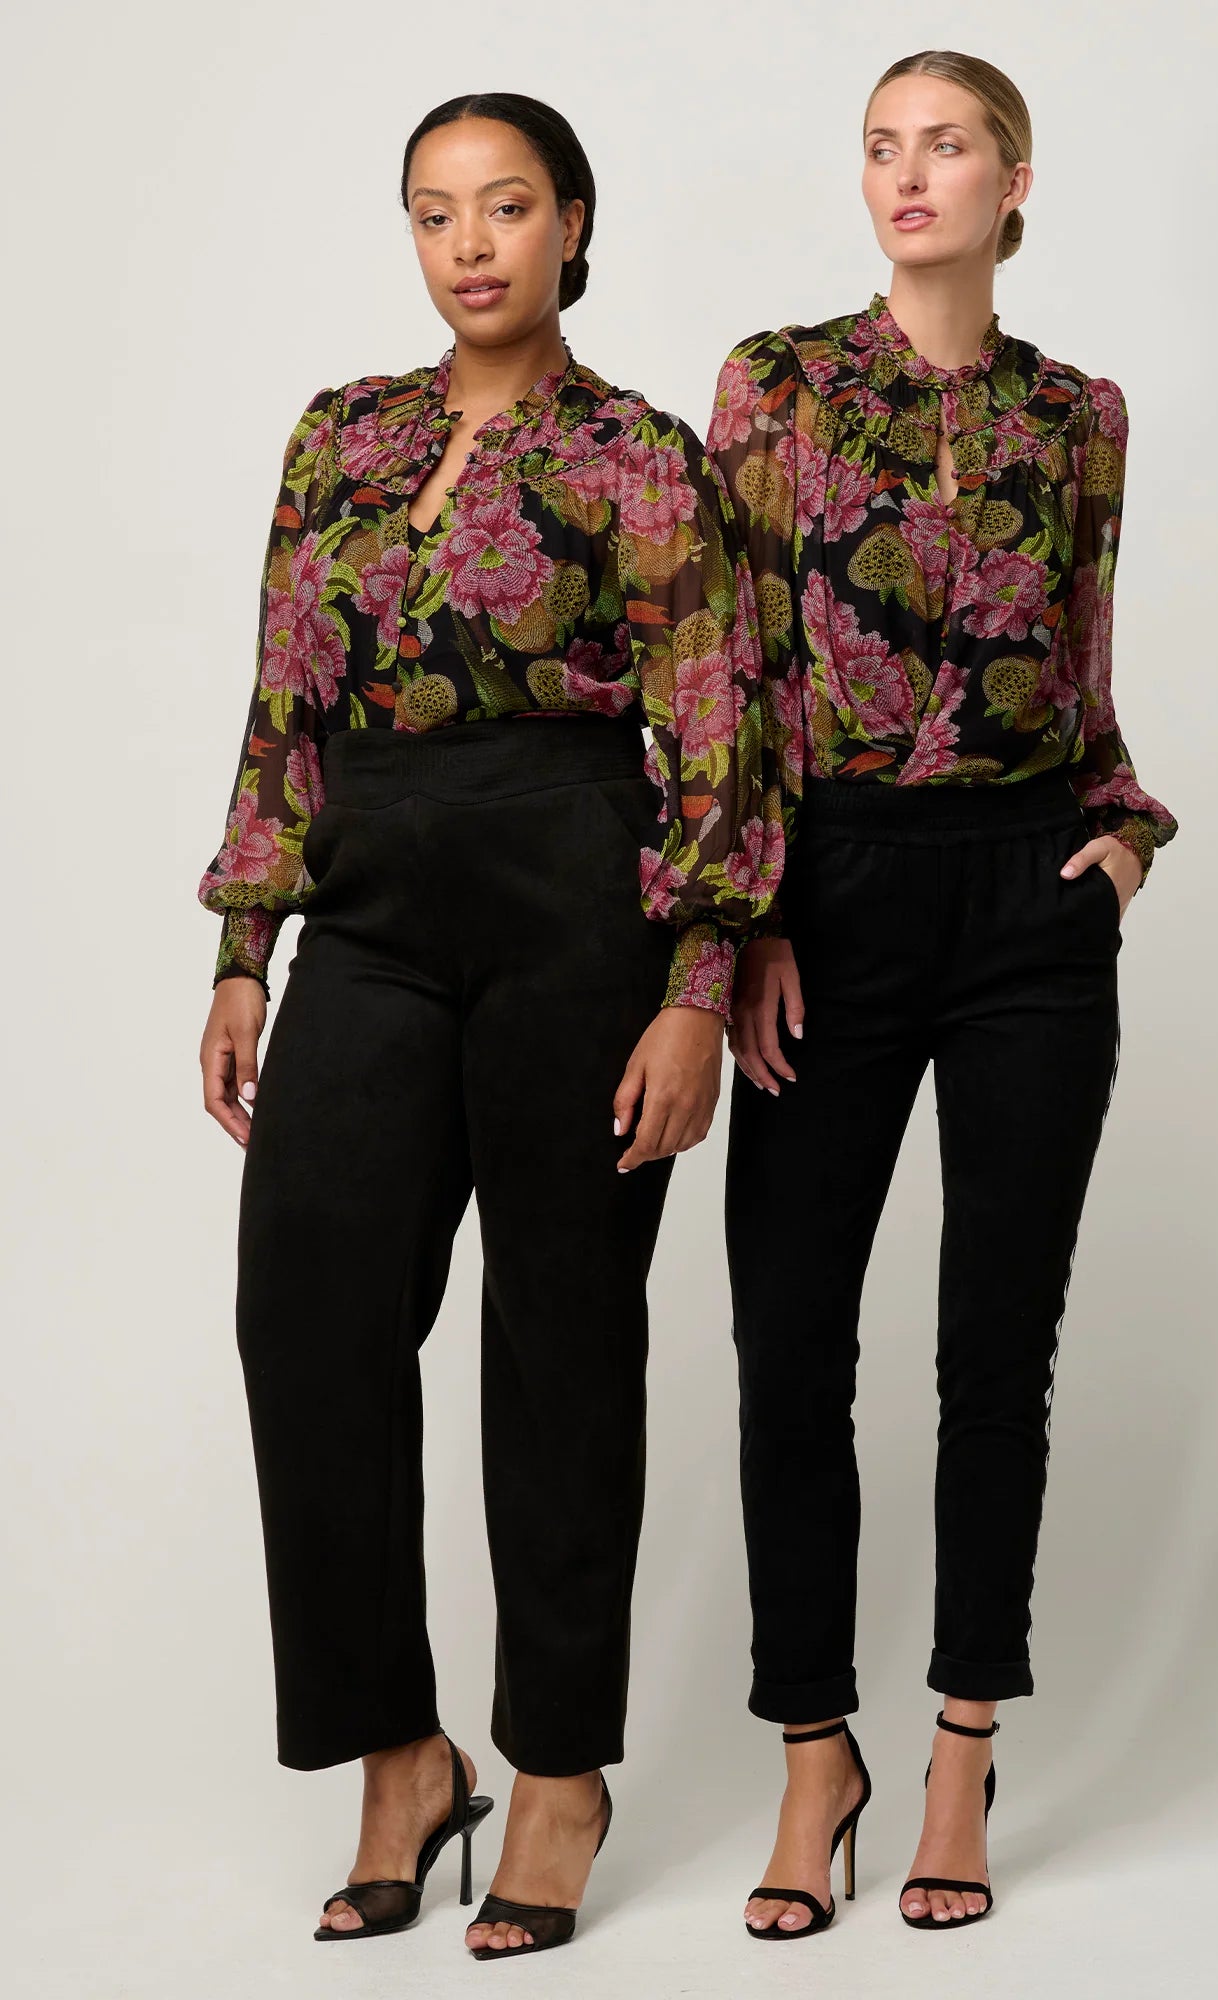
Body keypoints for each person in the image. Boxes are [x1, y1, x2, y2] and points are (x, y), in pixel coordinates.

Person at [196, 90, 781, 1961]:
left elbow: (716, 719)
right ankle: (401, 1751)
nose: (470, 243)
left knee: (560, 1344)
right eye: (436, 210)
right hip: (369, 909)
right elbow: (284, 698)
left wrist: (697, 985)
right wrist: (244, 951)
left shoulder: (639, 455)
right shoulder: (340, 435)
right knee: (308, 1311)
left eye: (507, 206)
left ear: (571, 225)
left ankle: (559, 1773)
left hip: (576, 909)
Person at [706, 49, 1177, 1940]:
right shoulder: (779, 384)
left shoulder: (1081, 414)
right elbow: (730, 673)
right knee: (788, 1334)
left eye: (949, 145)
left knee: (998, 1344)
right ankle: (813, 1748)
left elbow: (1087, 662)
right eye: (883, 148)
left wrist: (1122, 833)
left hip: (1029, 903)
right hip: (830, 892)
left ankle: (965, 1746)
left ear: (1015, 181)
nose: (910, 176)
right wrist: (745, 921)